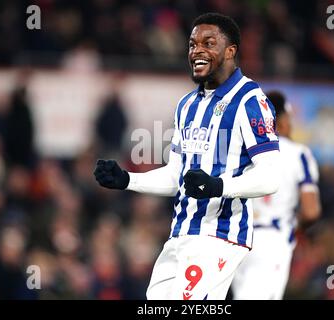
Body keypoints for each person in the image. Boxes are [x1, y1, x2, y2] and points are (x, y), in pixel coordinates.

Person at [93, 13, 281, 300]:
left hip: (219, 237)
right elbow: (176, 176)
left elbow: (270, 176)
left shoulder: (250, 100)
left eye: (208, 43)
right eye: (192, 44)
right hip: (180, 235)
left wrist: (218, 186)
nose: (197, 51)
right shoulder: (187, 105)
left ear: (230, 51)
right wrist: (127, 180)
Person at [231, 91, 321, 300]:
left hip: (238, 238)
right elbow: (311, 211)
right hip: (273, 238)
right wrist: (294, 226)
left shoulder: (241, 150)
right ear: (280, 121)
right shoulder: (298, 154)